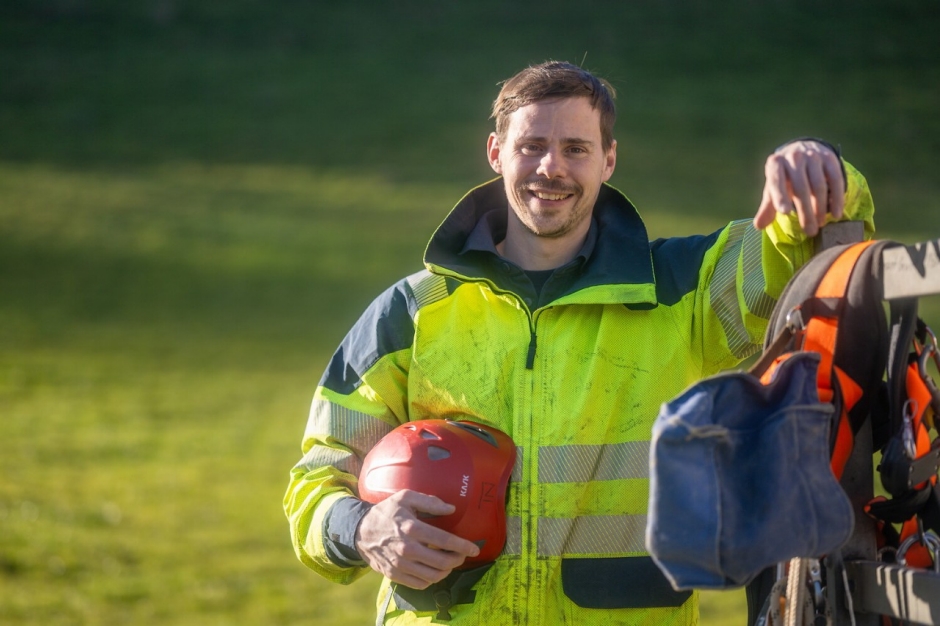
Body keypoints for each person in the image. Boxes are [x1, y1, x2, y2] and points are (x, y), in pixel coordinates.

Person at [284, 61, 875, 625]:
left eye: (575, 149)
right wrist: (360, 529)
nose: (551, 168)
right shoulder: (409, 313)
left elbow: (801, 251)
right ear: (495, 153)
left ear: (608, 160)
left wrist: (819, 169)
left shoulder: (675, 289)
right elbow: (316, 479)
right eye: (531, 146)